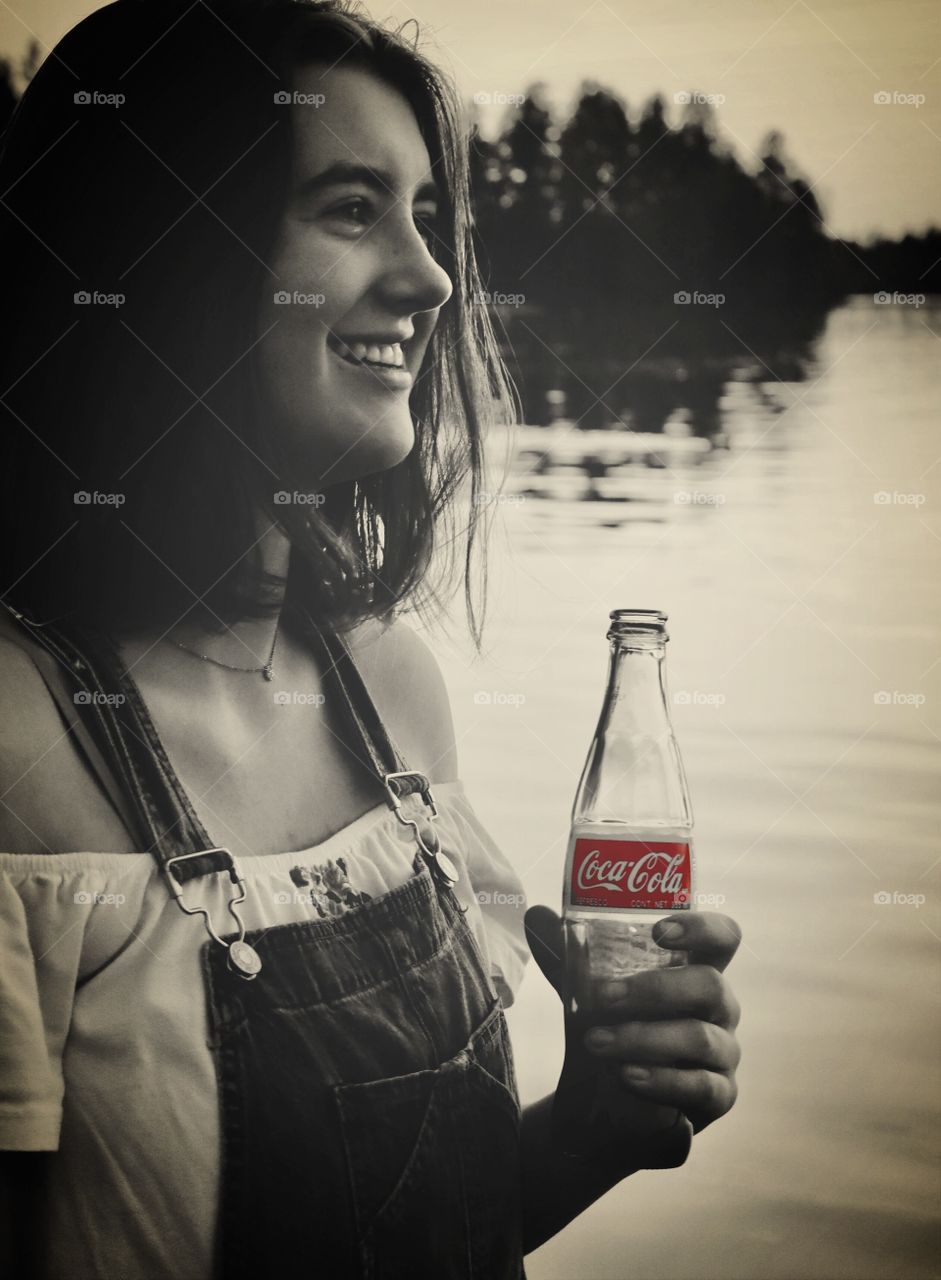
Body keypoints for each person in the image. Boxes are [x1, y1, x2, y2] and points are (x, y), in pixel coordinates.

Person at [0, 1, 743, 1276]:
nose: (431, 277)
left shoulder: (391, 688)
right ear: (166, 253)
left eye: (425, 214)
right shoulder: (17, 742)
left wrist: (590, 1129)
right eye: (351, 208)